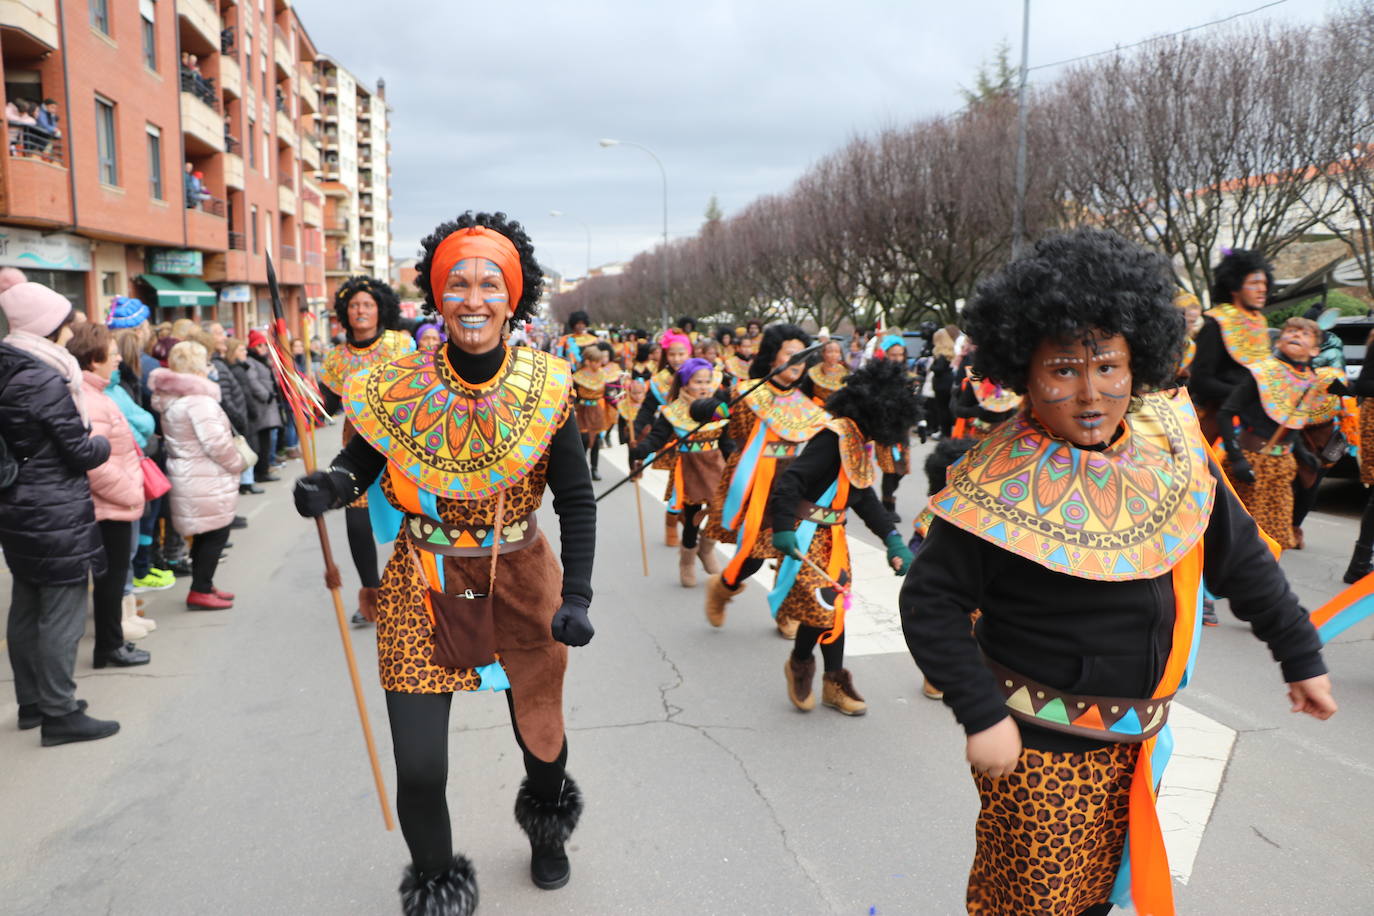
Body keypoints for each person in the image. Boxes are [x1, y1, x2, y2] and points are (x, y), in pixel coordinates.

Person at [899, 228, 1335, 916]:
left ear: (1138, 361)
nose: (1091, 392)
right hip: (1039, 754)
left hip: (1141, 745)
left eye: (1107, 365)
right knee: (1035, 908)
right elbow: (928, 603)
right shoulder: (992, 481)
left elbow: (1241, 555)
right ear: (1024, 372)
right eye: (1063, 370)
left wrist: (1299, 654)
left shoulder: (1172, 441)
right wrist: (980, 715)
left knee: (1104, 900)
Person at [293, 211, 595, 915]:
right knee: (421, 769)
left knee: (542, 738)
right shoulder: (396, 384)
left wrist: (575, 595)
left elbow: (576, 501)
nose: (474, 297)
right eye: (456, 282)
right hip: (419, 582)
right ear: (437, 295)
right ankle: (438, 889)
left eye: (491, 282)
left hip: (521, 574)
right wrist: (329, 486)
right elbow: (359, 462)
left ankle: (547, 830)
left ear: (512, 297)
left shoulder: (549, 387)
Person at [1, 280, 120, 745]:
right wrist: (104, 442)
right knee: (63, 611)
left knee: (28, 604)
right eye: (66, 324)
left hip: (19, 504)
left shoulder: (11, 367)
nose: (72, 333)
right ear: (47, 328)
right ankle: (59, 711)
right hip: (52, 508)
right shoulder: (44, 378)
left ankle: (33, 702)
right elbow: (79, 451)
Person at [769, 359, 918, 715]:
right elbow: (791, 482)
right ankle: (802, 664)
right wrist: (784, 529)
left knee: (832, 608)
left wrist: (892, 539)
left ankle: (832, 680)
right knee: (824, 607)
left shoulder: (857, 440)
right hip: (805, 534)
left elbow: (863, 496)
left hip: (832, 537)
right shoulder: (834, 436)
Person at [702, 324, 827, 638]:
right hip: (756, 480)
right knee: (755, 556)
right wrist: (709, 409)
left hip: (796, 480)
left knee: (796, 549)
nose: (797, 362)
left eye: (802, 356)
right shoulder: (748, 392)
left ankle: (786, 610)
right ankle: (724, 586)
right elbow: (716, 417)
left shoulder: (807, 399)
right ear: (773, 357)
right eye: (790, 354)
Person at [318, 276, 416, 626]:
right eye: (354, 305)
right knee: (358, 526)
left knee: (410, 523)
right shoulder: (336, 358)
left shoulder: (399, 344)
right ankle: (371, 596)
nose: (360, 310)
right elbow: (325, 403)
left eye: (367, 305)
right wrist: (303, 404)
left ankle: (416, 591)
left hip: (400, 449)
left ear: (380, 310)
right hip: (356, 450)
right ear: (346, 312)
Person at [1218, 316, 1344, 551]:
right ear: (1279, 341)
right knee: (1241, 538)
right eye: (1291, 330)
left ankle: (1261, 584)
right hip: (1251, 460)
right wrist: (1236, 458)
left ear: (1315, 350)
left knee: (1275, 538)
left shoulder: (1309, 380)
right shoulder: (1261, 373)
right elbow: (1226, 413)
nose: (1296, 335)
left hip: (1282, 466)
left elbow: (1290, 421)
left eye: (1304, 333)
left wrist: (1301, 452)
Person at [68, 323, 150, 668]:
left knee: (113, 579)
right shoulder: (89, 399)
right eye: (112, 354)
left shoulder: (96, 394)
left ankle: (113, 643)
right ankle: (109, 648)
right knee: (110, 580)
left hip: (113, 503)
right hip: (109, 505)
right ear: (93, 359)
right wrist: (129, 492)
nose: (118, 359)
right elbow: (94, 462)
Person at [149, 341, 249, 610]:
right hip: (206, 475)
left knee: (206, 531)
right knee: (216, 532)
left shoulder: (175, 399)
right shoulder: (199, 402)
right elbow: (217, 444)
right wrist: (238, 462)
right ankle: (201, 588)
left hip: (190, 474)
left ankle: (203, 583)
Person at [629, 357, 734, 586]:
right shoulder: (673, 411)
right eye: (698, 382)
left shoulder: (718, 407)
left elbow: (728, 443)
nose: (704, 386)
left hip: (717, 467)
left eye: (707, 381)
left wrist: (735, 465)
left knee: (722, 512)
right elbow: (657, 438)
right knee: (691, 519)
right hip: (689, 469)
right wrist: (641, 450)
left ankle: (706, 549)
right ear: (685, 383)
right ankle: (686, 561)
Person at [1189, 248, 1273, 442]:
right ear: (1234, 287)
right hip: (1220, 421)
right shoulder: (1216, 324)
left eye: (1264, 283)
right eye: (1254, 283)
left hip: (1257, 418)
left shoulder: (1260, 322)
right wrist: (1244, 394)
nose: (1263, 289)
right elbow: (1201, 382)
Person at [635, 330, 695, 546]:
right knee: (678, 486)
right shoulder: (660, 381)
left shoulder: (705, 375)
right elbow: (647, 409)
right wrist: (636, 428)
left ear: (690, 352)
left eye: (681, 354)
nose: (677, 359)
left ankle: (690, 526)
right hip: (671, 438)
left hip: (705, 442)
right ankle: (672, 523)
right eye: (672, 354)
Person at [244, 330, 283, 484]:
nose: (263, 348)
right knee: (262, 441)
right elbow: (252, 381)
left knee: (267, 440)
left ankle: (264, 469)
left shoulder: (261, 360)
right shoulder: (251, 361)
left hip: (267, 407)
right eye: (259, 345)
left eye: (264, 345)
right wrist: (265, 395)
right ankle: (261, 472)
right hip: (262, 406)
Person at [571, 342, 611, 480]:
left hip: (596, 409)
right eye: (596, 361)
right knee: (584, 439)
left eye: (600, 361)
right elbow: (572, 394)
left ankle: (594, 468)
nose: (599, 364)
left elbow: (608, 393)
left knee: (597, 440)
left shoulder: (603, 375)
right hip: (582, 410)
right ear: (588, 361)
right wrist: (573, 407)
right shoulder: (578, 376)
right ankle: (580, 468)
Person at [799, 337, 849, 405]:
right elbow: (804, 396)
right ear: (823, 354)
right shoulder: (812, 373)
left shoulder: (846, 373)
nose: (834, 355)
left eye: (837, 352)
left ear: (840, 354)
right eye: (830, 352)